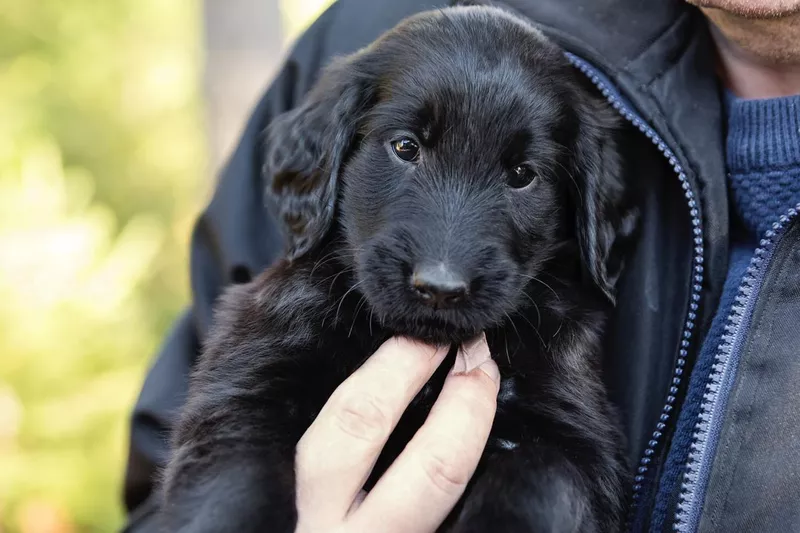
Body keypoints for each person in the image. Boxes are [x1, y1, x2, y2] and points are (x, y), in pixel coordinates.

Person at [121, 0, 800, 531]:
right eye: (408, 148)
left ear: (583, 205)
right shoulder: (366, 30)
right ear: (329, 162)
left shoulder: (556, 320)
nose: (443, 271)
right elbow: (175, 471)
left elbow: (571, 464)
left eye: (523, 174)